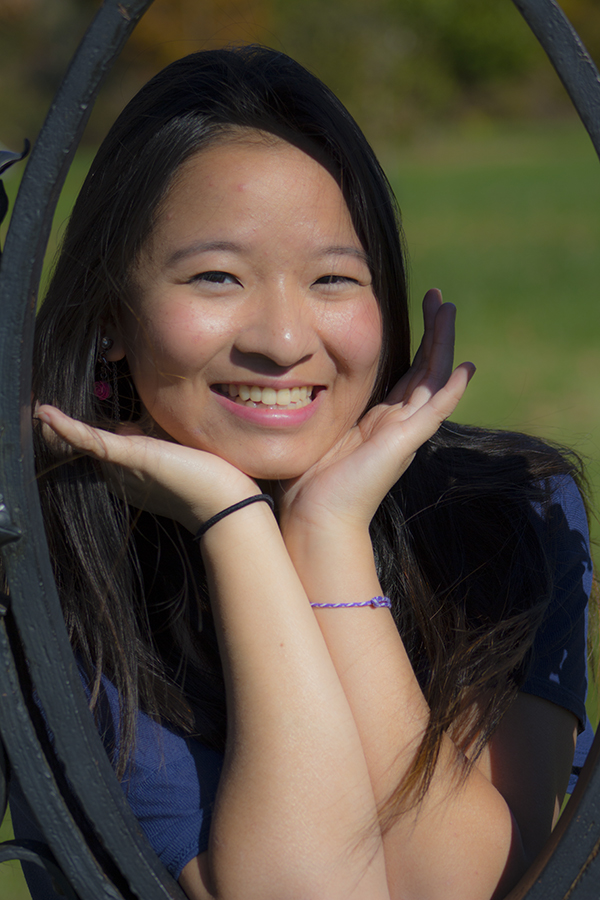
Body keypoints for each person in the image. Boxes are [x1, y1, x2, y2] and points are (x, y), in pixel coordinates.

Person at [10, 45, 593, 900]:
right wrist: (236, 527)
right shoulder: (47, 562)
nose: (282, 341)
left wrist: (329, 535)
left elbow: (456, 891)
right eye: (217, 276)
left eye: (332, 279)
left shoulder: (509, 511)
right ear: (112, 319)